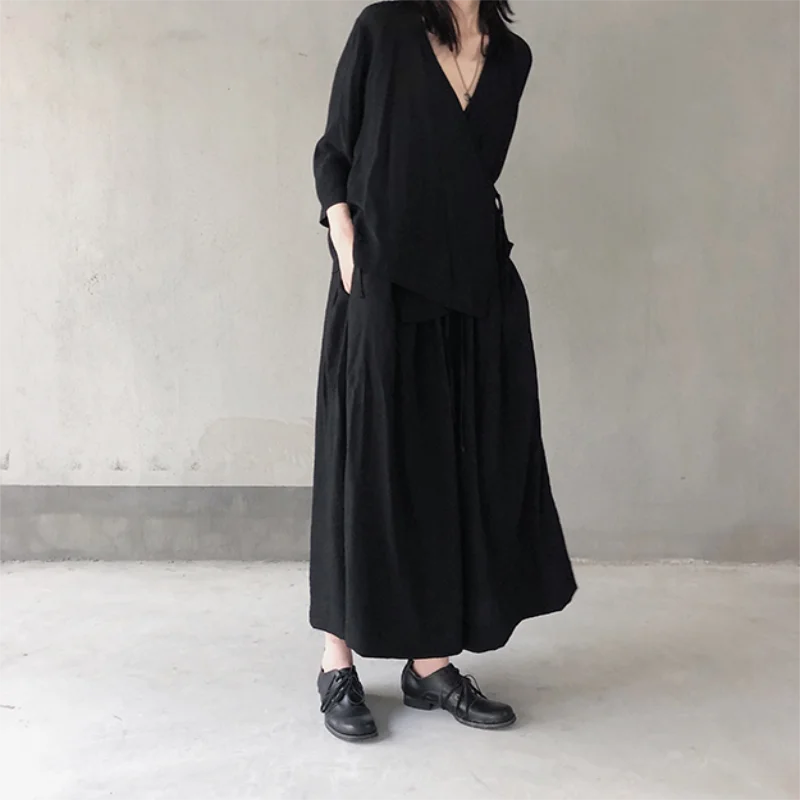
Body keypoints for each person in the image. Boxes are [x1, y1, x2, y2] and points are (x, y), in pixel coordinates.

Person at [310, 0, 577, 742]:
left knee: (451, 470)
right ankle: (337, 661)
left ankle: (429, 661)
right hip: (383, 282)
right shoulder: (384, 29)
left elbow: (468, 177)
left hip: (471, 290)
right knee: (365, 463)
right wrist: (348, 245)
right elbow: (334, 150)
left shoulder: (511, 60)